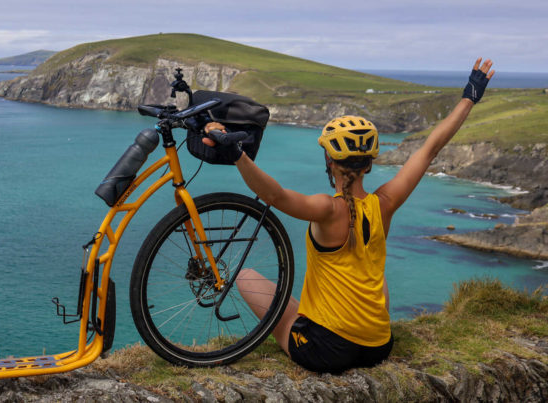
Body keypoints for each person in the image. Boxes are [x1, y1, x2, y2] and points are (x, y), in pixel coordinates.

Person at [203, 58, 495, 374]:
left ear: (330, 160)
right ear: (369, 164)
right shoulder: (386, 202)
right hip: (377, 346)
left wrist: (236, 154)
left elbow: (274, 196)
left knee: (246, 276)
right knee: (373, 273)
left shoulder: (327, 209)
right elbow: (430, 149)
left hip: (326, 351)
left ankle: (317, 329)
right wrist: (470, 95)